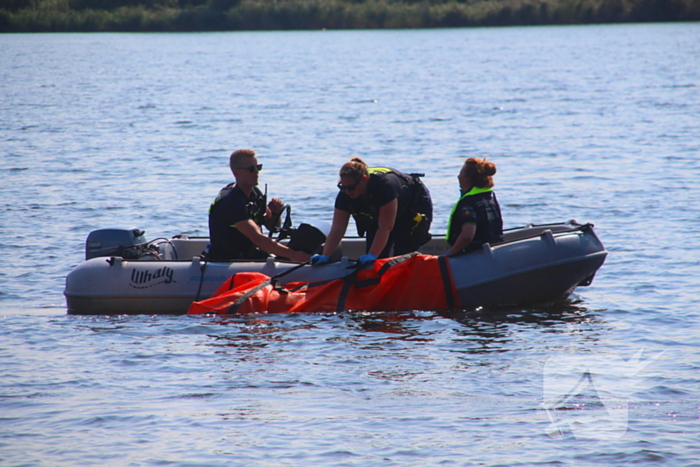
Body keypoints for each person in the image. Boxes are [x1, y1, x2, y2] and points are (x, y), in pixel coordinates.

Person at [312, 157, 433, 266]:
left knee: (402, 252)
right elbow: (337, 229)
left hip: (411, 206)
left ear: (364, 179)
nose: (347, 191)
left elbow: (385, 228)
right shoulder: (345, 194)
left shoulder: (385, 187)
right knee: (374, 258)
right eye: (342, 187)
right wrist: (325, 255)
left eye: (350, 187)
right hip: (378, 212)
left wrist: (372, 255)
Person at [207, 149, 310, 263]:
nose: (256, 172)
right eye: (251, 169)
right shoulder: (230, 201)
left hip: (251, 254)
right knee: (290, 256)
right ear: (236, 172)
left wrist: (275, 213)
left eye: (258, 167)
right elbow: (257, 238)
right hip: (228, 260)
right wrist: (293, 255)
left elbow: (273, 228)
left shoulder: (255, 193)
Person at [445, 157, 504, 256]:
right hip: (494, 251)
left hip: (474, 254)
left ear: (468, 178)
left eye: (461, 173)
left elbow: (467, 235)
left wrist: (448, 255)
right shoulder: (489, 196)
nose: (458, 176)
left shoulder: (468, 202)